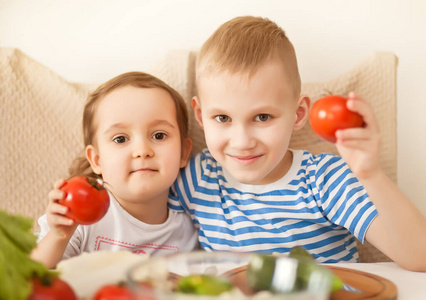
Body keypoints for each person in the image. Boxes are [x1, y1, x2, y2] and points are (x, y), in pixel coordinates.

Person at [169, 16, 426, 271]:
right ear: (201, 116)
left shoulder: (324, 180)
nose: (242, 142)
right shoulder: (197, 177)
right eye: (222, 118)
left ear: (299, 114)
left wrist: (371, 174)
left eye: (262, 117)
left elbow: (420, 257)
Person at [31, 72, 199, 269]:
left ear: (183, 153)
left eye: (159, 135)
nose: (142, 151)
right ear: (97, 160)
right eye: (120, 139)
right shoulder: (81, 213)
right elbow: (31, 273)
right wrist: (59, 235)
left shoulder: (194, 224)